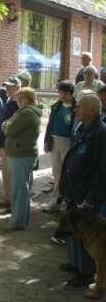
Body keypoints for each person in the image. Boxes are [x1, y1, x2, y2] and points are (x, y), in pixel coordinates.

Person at [58, 94, 106, 288]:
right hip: (73, 188)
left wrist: (92, 198)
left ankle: (86, 272)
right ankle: (75, 264)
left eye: (79, 108)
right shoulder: (82, 127)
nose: (76, 110)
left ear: (92, 111)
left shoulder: (101, 133)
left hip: (86, 192)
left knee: (87, 232)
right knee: (73, 228)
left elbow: (102, 170)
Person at [2, 87, 42, 230]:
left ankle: (17, 222)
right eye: (18, 99)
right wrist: (7, 124)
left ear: (30, 99)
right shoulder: (25, 112)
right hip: (23, 153)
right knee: (23, 187)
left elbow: (10, 129)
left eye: (22, 98)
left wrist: (6, 125)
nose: (19, 101)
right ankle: (21, 219)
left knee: (19, 189)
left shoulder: (26, 113)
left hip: (21, 154)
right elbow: (8, 124)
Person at [42, 81, 76, 213]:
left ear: (71, 93)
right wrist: (46, 141)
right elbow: (50, 125)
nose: (61, 95)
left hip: (68, 142)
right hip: (55, 140)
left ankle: (66, 202)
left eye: (65, 93)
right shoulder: (56, 106)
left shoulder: (76, 107)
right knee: (57, 173)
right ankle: (54, 202)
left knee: (67, 172)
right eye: (60, 92)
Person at [0, 77, 21, 211]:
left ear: (18, 87)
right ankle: (8, 198)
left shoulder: (19, 102)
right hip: (3, 143)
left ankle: (14, 202)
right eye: (6, 87)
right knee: (5, 173)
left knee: (12, 174)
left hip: (12, 143)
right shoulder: (8, 100)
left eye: (10, 87)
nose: (7, 89)